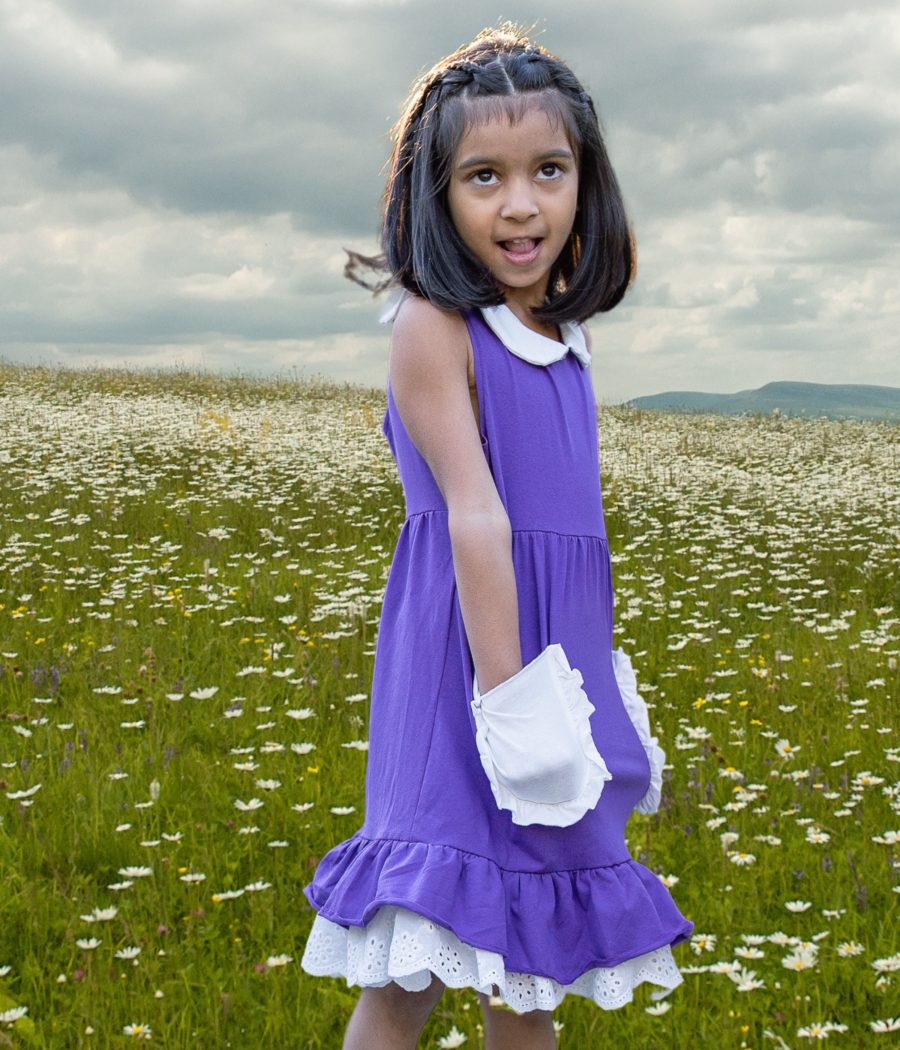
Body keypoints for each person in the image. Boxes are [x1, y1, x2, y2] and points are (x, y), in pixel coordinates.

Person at [300, 21, 694, 1050]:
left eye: (548, 170)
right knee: (418, 959)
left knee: (532, 968)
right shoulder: (438, 327)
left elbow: (571, 541)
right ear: (435, 193)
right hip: (469, 676)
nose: (521, 203)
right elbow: (475, 513)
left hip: (553, 666)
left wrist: (593, 679)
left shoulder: (567, 339)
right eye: (484, 175)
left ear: (585, 182)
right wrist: (514, 700)